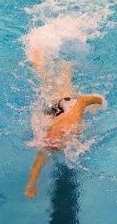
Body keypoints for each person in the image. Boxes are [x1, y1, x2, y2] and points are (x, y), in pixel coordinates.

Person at [24, 48, 104, 199]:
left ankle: (55, 62)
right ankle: (56, 64)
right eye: (50, 139)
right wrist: (31, 186)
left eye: (51, 139)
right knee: (49, 84)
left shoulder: (70, 125)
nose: (50, 141)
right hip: (60, 111)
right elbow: (37, 165)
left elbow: (82, 101)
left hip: (67, 105)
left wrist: (101, 101)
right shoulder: (50, 142)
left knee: (53, 85)